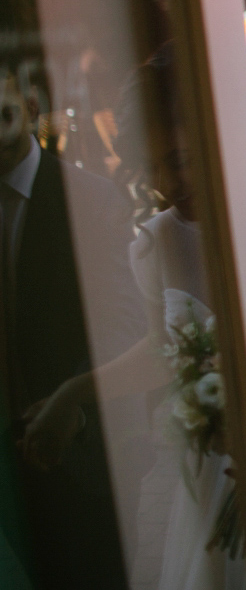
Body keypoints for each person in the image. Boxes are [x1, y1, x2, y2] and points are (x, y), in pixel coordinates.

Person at [0, 57, 148, 588]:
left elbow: (123, 320)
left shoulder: (87, 198)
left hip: (76, 451)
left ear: (33, 110)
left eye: (4, 115)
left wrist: (76, 404)